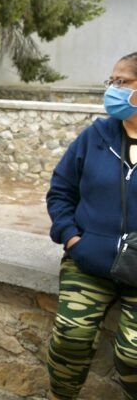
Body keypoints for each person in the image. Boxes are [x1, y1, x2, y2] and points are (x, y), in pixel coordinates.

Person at [45, 52, 137, 400]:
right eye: (110, 81)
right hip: (89, 262)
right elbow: (60, 191)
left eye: (122, 81)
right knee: (71, 335)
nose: (112, 89)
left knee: (133, 354)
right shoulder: (95, 136)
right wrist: (71, 238)